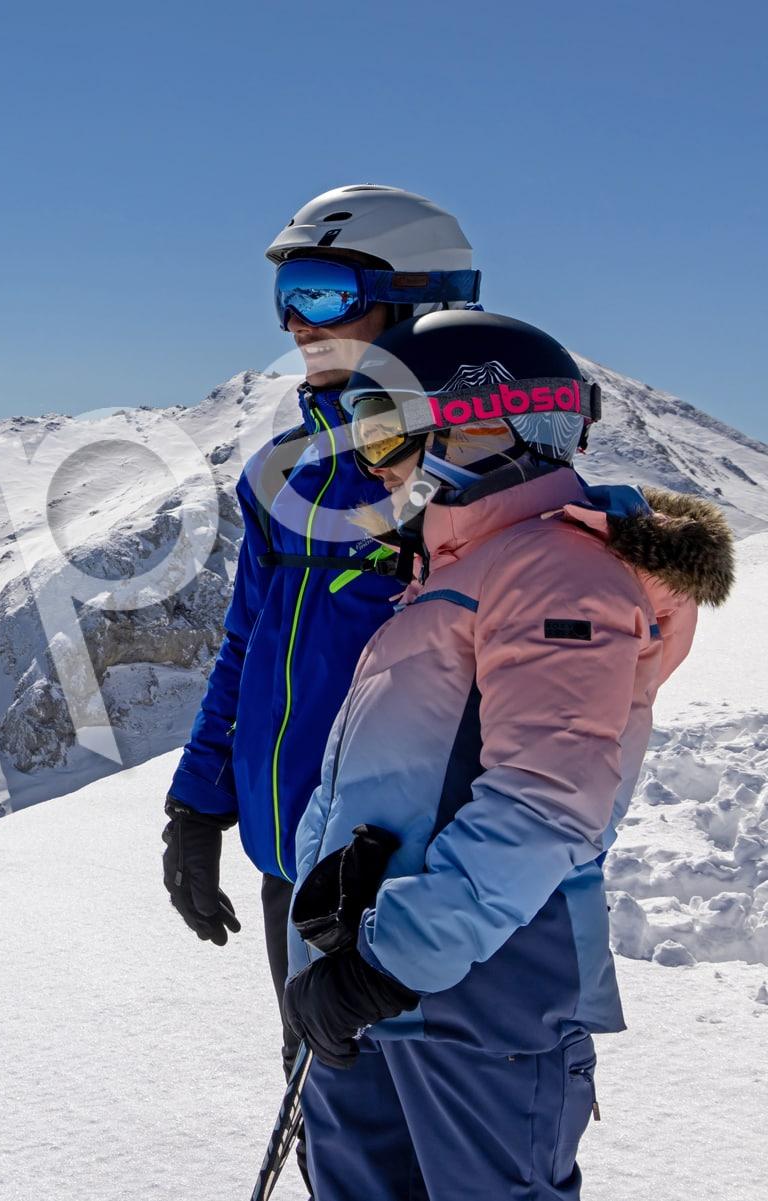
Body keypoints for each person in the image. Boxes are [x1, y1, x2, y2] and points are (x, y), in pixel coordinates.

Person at [280, 311, 734, 1199]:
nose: (380, 462)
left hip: (478, 992)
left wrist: (385, 964)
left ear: (490, 418)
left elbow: (546, 803)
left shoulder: (554, 572)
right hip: (380, 970)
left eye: (388, 427)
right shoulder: (454, 571)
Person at [161, 185, 482, 1192]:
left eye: (325, 290)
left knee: (453, 1155)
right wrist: (199, 805)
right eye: (285, 294)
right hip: (293, 871)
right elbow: (246, 644)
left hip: (412, 885)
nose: (298, 319)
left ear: (418, 299)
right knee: (341, 1141)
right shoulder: (283, 473)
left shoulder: (473, 474)